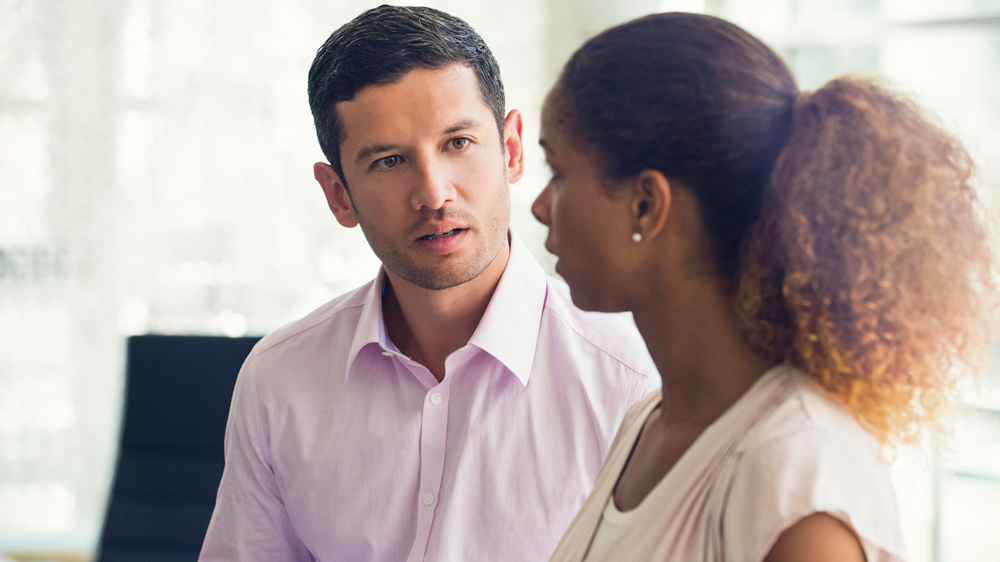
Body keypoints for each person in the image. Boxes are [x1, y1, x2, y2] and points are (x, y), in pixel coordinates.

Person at [199, 5, 658, 562]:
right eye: (389, 161)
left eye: (457, 143)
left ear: (512, 150)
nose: (434, 194)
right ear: (339, 195)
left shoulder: (631, 383)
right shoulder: (279, 380)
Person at [532, 12, 994, 562]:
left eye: (558, 173)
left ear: (646, 205)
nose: (539, 207)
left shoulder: (798, 472)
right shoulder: (649, 421)